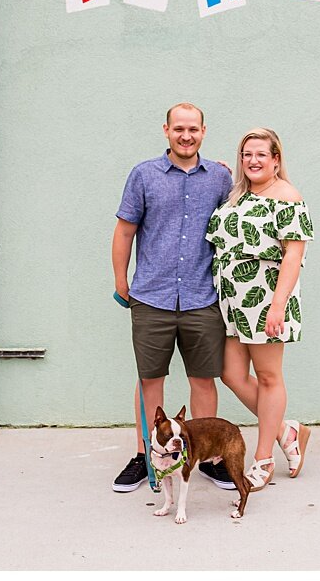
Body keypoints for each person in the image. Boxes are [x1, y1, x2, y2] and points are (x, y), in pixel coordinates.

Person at [111, 102, 235, 492]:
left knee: (203, 379)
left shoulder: (218, 178)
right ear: (166, 130)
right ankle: (146, 453)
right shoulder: (143, 175)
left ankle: (208, 457)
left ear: (204, 131)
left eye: (193, 129)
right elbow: (125, 231)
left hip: (202, 297)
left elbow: (249, 202)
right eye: (179, 128)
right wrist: (121, 281)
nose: (186, 135)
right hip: (152, 297)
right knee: (151, 380)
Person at [207, 127, 314, 487]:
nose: (252, 160)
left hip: (266, 297)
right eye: (246, 154)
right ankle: (287, 431)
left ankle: (263, 458)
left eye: (261, 155)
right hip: (232, 300)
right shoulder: (237, 194)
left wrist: (277, 306)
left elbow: (293, 254)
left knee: (268, 376)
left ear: (276, 159)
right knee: (231, 374)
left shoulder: (287, 196)